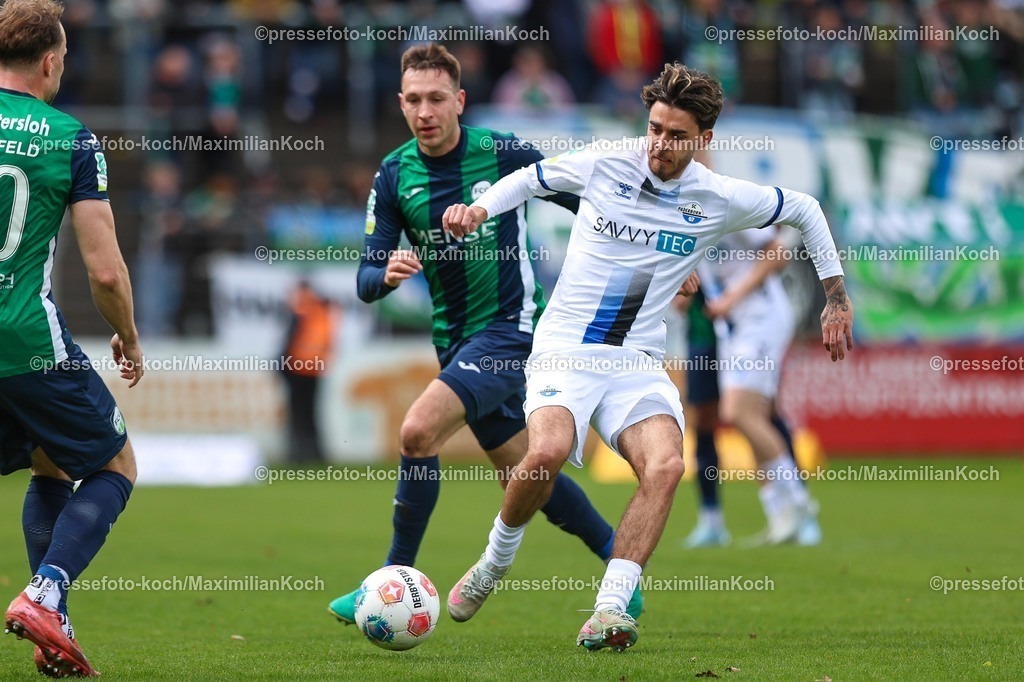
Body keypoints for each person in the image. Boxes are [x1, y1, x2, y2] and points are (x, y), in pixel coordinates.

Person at [442, 62, 854, 651]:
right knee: (550, 450)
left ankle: (611, 608)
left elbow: (807, 211)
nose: (661, 144)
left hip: (636, 361)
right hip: (565, 350)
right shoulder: (608, 161)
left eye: (676, 135)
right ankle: (492, 562)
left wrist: (836, 297)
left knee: (665, 466)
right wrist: (479, 210)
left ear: (703, 140)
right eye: (656, 128)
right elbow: (530, 179)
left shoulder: (719, 197)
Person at [326, 43, 642, 625]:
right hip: (454, 341)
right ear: (401, 103)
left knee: (418, 431)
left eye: (437, 99)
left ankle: (389, 580)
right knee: (529, 477)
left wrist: (646, 253)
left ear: (460, 101)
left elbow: (588, 201)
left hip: (513, 329)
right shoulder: (395, 173)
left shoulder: (504, 155)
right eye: (414, 100)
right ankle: (616, 559)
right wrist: (386, 273)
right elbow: (366, 278)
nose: (425, 111)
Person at [0, 0, 143, 676]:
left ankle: (53, 622)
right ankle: (46, 591)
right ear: (51, 61)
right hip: (26, 335)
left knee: (49, 460)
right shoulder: (70, 137)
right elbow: (106, 270)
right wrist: (128, 336)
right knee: (114, 468)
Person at [692, 230, 822, 546]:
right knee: (754, 416)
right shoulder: (686, 210)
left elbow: (778, 252)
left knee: (737, 412)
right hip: (733, 327)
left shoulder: (729, 204)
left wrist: (732, 297)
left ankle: (799, 501)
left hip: (760, 320)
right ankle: (781, 516)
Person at [280, 279, 337, 464]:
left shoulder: (302, 311)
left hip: (298, 369)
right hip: (314, 369)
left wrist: (281, 366)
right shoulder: (322, 312)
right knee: (311, 413)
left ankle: (299, 453)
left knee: (299, 414)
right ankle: (314, 452)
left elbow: (289, 343)